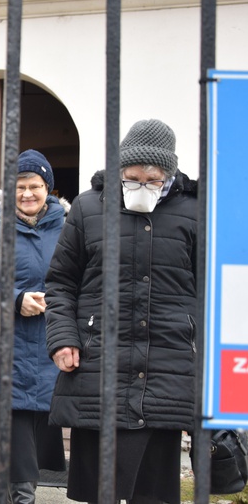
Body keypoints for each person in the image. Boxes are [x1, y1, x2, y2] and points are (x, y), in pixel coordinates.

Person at [45, 119, 198, 503]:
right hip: (99, 370)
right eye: (132, 178)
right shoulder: (87, 207)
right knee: (101, 493)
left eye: (152, 179)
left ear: (170, 174)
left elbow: (211, 292)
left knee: (154, 493)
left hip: (167, 371)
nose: (141, 186)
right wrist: (63, 338)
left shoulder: (196, 211)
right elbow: (61, 282)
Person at [0, 150, 67, 504]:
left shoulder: (68, 229)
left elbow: (79, 282)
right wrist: (15, 299)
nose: (27, 193)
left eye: (35, 186)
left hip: (46, 348)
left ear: (48, 188)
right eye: (19, 187)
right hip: (0, 348)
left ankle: (23, 497)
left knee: (28, 443)